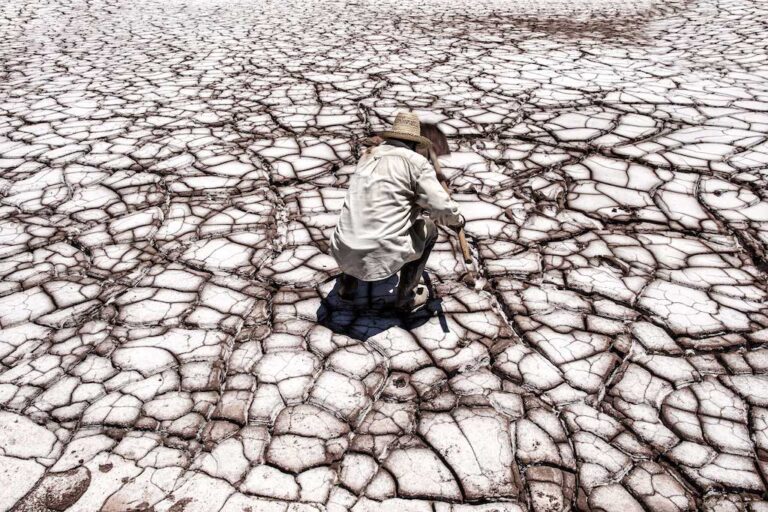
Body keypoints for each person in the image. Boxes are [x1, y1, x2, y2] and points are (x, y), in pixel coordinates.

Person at [329, 111, 464, 311]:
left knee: (360, 219)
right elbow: (441, 207)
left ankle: (347, 287)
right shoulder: (416, 163)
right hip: (379, 247)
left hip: (343, 246)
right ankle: (407, 296)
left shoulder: (367, 156)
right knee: (429, 229)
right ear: (415, 143)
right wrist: (457, 219)